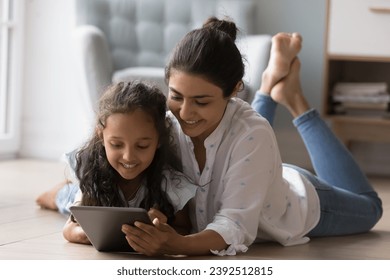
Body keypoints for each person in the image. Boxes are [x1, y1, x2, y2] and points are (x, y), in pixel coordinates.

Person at [38, 17, 383, 256]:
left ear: (234, 90)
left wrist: (174, 245)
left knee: (370, 209)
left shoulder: (253, 133)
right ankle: (273, 82)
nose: (184, 113)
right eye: (176, 96)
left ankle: (294, 100)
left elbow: (235, 226)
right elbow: (119, 166)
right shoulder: (165, 121)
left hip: (293, 202)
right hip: (252, 168)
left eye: (201, 101)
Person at [45, 81, 197, 245]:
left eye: (142, 146)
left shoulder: (171, 183)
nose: (128, 157)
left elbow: (184, 229)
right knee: (60, 199)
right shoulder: (91, 173)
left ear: (159, 140)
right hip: (84, 194)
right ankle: (60, 190)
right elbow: (69, 229)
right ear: (101, 136)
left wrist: (161, 229)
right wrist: (90, 234)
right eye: (116, 145)